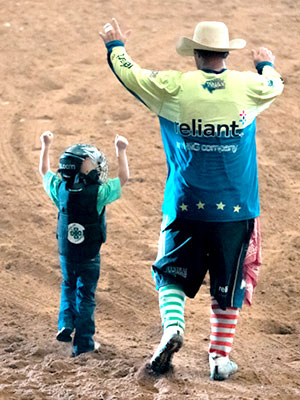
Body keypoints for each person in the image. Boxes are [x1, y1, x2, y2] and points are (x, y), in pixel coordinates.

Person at [99, 19, 284, 380]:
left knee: (169, 274)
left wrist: (115, 46)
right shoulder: (249, 87)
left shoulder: (174, 88)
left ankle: (172, 327)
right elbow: (275, 85)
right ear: (226, 53)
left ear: (195, 54)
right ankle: (218, 358)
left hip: (185, 203)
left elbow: (130, 75)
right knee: (228, 284)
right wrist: (265, 63)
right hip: (237, 207)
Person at [39, 130, 129, 356]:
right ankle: (83, 343)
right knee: (86, 295)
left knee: (68, 285)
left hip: (66, 254)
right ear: (81, 169)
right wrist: (121, 151)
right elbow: (124, 178)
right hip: (90, 256)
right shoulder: (99, 193)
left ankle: (65, 323)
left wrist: (46, 145)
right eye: (91, 164)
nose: (97, 167)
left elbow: (44, 172)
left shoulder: (59, 189)